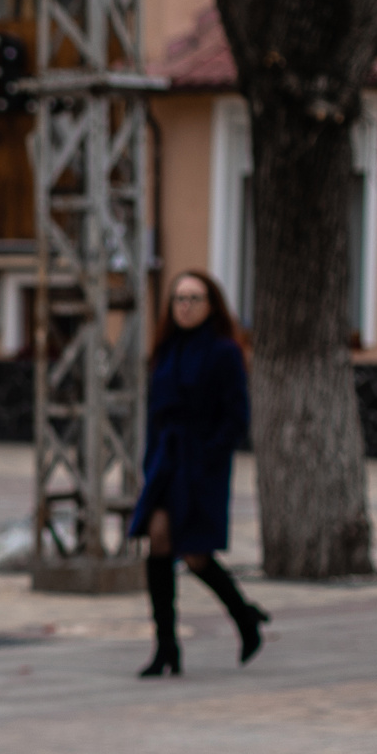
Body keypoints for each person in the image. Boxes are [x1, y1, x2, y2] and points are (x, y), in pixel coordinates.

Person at [132, 270, 269, 676]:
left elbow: (236, 415)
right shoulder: (165, 349)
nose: (185, 306)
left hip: (202, 463)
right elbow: (155, 409)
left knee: (195, 554)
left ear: (211, 305)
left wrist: (212, 453)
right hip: (166, 459)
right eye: (178, 299)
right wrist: (151, 456)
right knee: (157, 539)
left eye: (194, 298)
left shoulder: (224, 351)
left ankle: (244, 617)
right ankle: (166, 646)